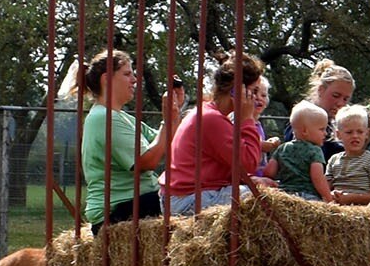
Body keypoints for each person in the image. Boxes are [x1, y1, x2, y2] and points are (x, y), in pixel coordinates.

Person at [70, 50, 181, 229]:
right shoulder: (103, 118)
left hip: (140, 201)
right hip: (119, 209)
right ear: (107, 79)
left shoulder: (123, 117)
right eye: (127, 74)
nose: (135, 80)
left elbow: (168, 142)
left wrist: (175, 113)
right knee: (193, 199)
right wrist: (167, 121)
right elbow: (146, 161)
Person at [165, 53, 268, 214]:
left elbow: (232, 164)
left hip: (185, 196)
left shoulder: (210, 113)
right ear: (235, 92)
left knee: (258, 190)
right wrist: (248, 119)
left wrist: (251, 179)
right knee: (260, 199)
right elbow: (248, 161)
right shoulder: (212, 119)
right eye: (253, 91)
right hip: (187, 199)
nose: (256, 98)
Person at [323, 105, 370, 205]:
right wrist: (332, 194)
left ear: (367, 133)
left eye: (360, 132)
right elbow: (325, 188)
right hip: (336, 208)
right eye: (349, 132)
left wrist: (351, 198)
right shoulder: (334, 160)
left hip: (361, 210)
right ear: (338, 134)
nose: (355, 136)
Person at [273, 100, 334, 203]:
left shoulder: (282, 148)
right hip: (307, 196)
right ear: (305, 131)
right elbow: (317, 178)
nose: (325, 134)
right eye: (322, 129)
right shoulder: (315, 151)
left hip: (284, 195)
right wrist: (329, 199)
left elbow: (269, 171)